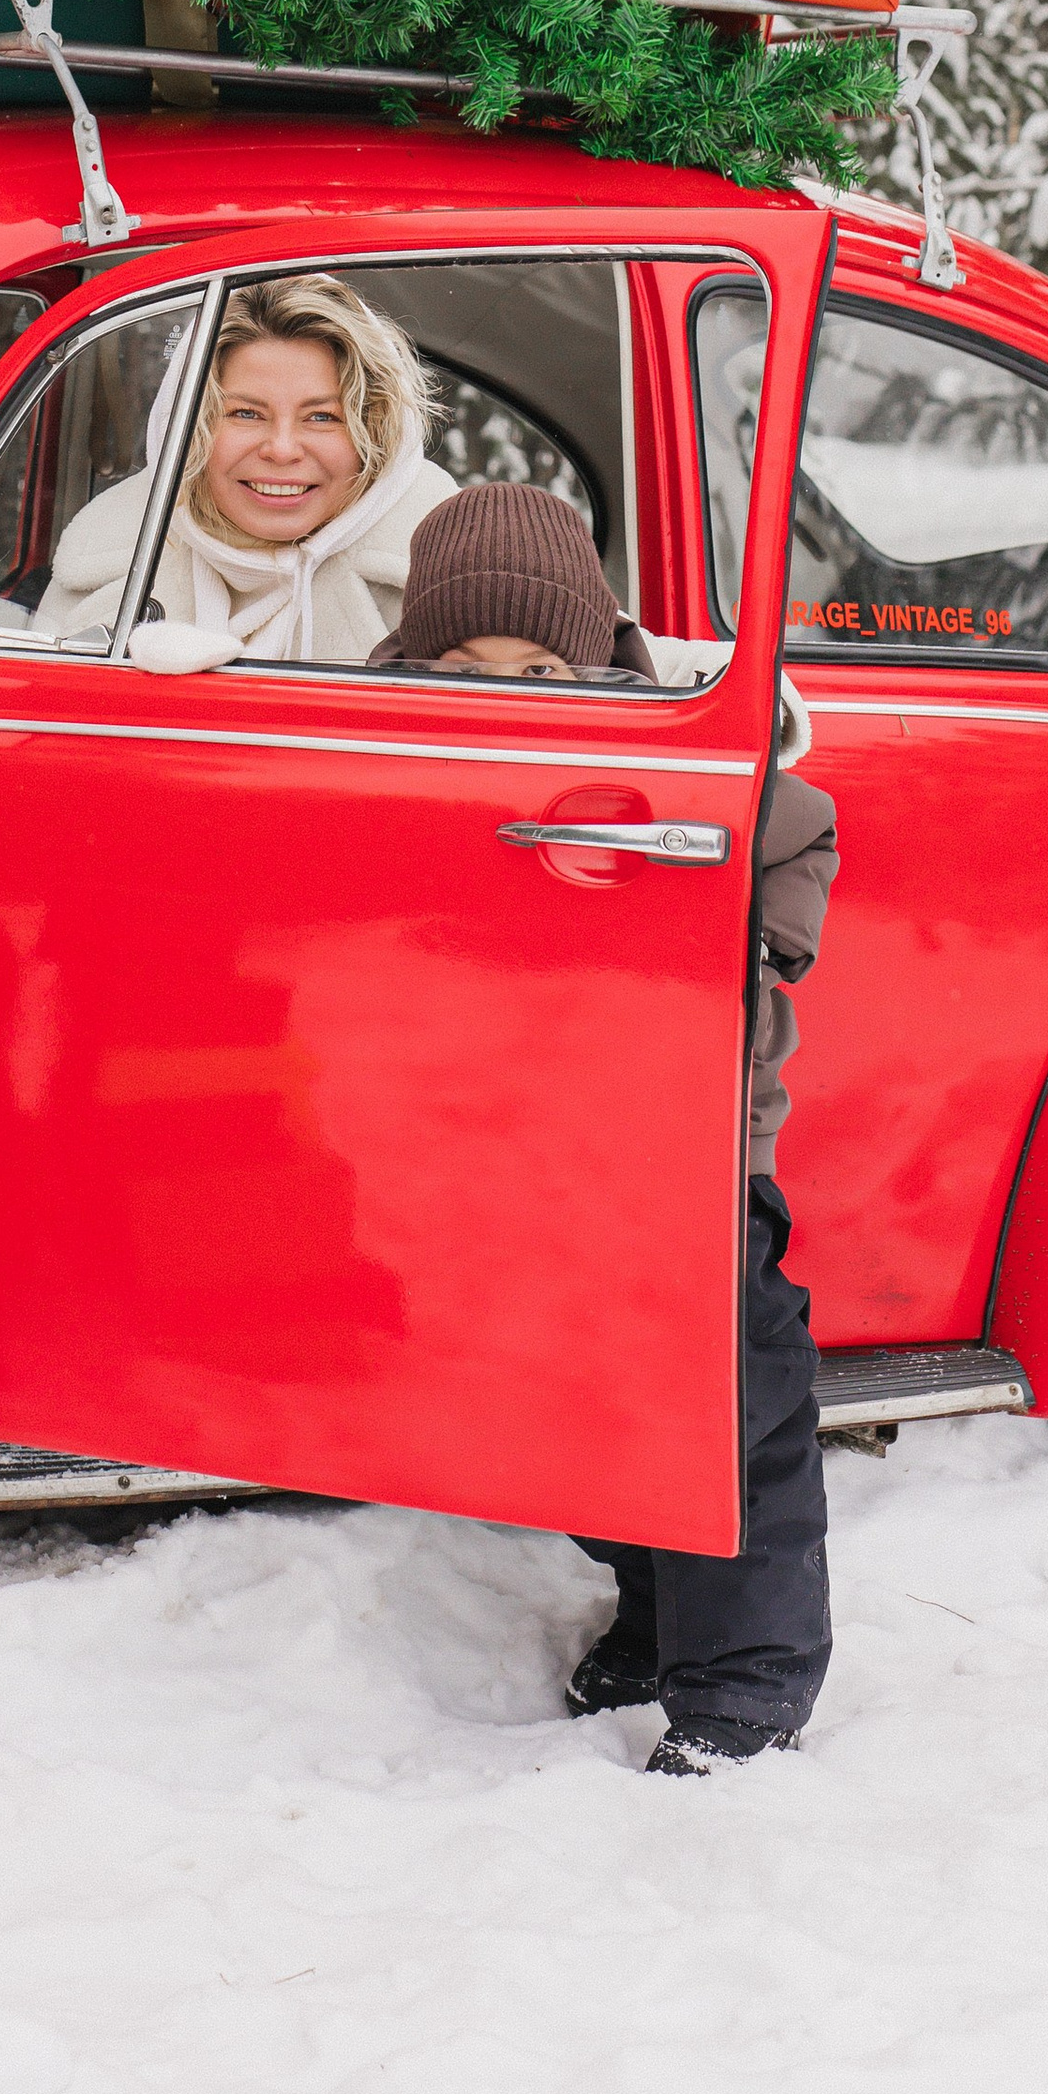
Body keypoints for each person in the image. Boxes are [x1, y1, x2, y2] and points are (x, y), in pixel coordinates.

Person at [378, 478, 841, 1779]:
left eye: (539, 665)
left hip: (684, 1149)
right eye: (464, 667)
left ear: (599, 660)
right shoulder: (401, 746)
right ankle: (651, 1616)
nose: (506, 689)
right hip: (521, 1142)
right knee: (586, 1396)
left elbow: (797, 822)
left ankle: (745, 1685)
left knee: (728, 1400)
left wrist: (756, 932)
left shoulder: (663, 750)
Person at [33, 271, 457, 664]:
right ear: (189, 426)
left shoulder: (441, 583)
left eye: (323, 416)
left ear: (376, 434)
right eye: (246, 414)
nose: (282, 449)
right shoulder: (104, 566)